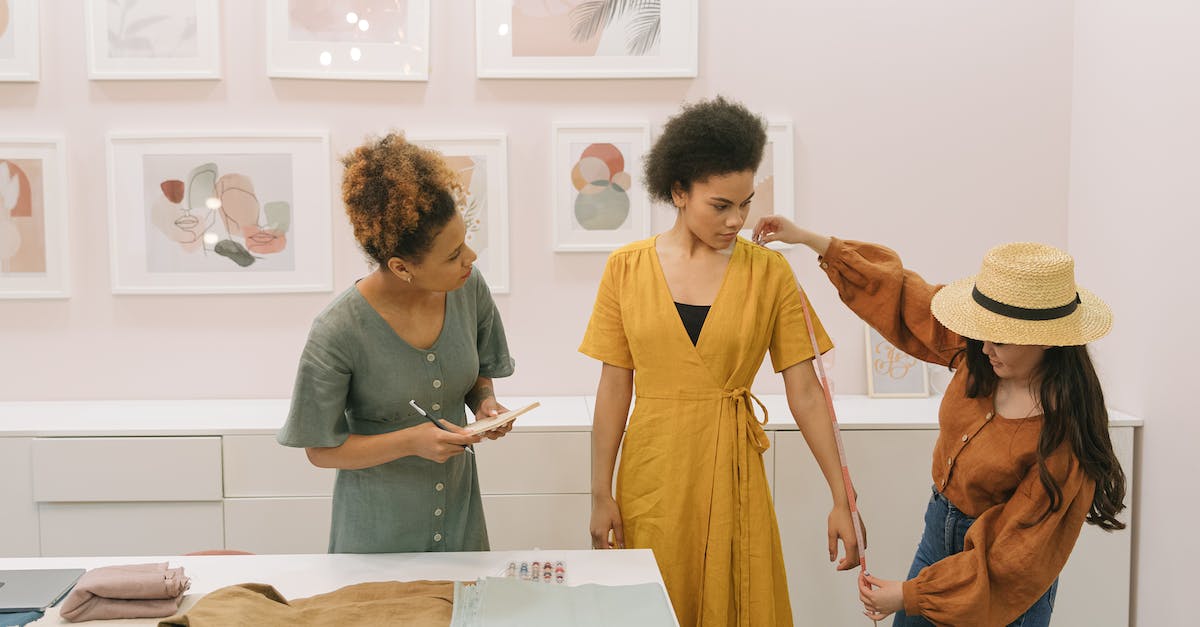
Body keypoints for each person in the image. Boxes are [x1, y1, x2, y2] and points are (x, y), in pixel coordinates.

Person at [752, 216, 1127, 626]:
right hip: (938, 534)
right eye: (981, 332)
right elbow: (904, 298)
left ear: (1047, 339)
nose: (984, 347)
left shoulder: (1063, 439)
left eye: (998, 338)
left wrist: (911, 594)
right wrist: (811, 240)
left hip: (1000, 577)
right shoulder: (980, 357)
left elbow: (1013, 560)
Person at [579, 97, 863, 627]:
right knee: (657, 605)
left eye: (745, 203)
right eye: (720, 205)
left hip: (734, 473)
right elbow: (614, 388)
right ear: (679, 192)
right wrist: (600, 493)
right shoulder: (626, 269)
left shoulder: (770, 274)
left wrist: (841, 496)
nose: (736, 220)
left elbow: (805, 392)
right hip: (652, 476)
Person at [278, 133, 516, 554]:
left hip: (461, 529)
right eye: (454, 254)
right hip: (376, 541)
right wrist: (409, 441)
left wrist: (485, 404)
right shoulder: (338, 331)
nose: (472, 258)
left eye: (466, 240)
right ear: (401, 267)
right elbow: (320, 450)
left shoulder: (468, 288)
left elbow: (480, 369)